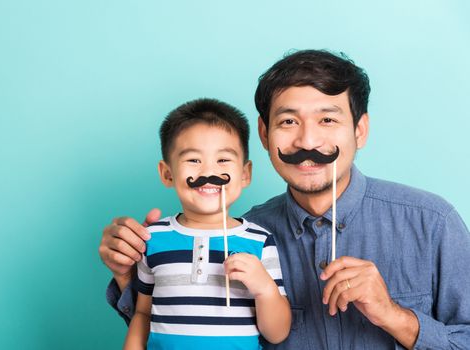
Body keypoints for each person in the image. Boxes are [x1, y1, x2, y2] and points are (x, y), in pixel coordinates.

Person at [100, 50, 470, 349]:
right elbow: (180, 326)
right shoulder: (242, 237)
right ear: (264, 134)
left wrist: (393, 315)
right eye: (288, 122)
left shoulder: (432, 223)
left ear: (360, 130)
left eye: (327, 120)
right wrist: (126, 275)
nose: (307, 142)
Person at [122, 98, 291, 350]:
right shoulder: (152, 238)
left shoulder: (259, 240)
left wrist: (264, 289)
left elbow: (277, 334)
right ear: (167, 173)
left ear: (245, 174)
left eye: (223, 160)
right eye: (193, 160)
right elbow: (143, 314)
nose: (208, 172)